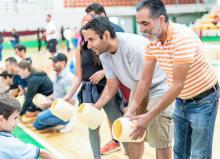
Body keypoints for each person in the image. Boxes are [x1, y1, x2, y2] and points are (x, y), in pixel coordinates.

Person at [126, 1, 219, 159]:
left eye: (145, 23)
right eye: (139, 24)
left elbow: (177, 86)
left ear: (160, 19)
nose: (141, 29)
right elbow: (144, 81)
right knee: (179, 152)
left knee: (199, 155)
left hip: (204, 101)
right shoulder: (152, 42)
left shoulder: (181, 39)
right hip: (181, 100)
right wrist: (131, 110)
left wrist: (148, 117)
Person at [82, 17, 173, 159]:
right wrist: (97, 106)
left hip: (158, 88)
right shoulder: (103, 54)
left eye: (91, 40)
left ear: (106, 35)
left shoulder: (132, 47)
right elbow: (112, 85)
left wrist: (129, 111)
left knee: (159, 139)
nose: (88, 46)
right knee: (132, 134)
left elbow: (143, 82)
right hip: (138, 88)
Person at [64, 15, 125, 159]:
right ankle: (96, 157)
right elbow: (78, 76)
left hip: (107, 88)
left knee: (118, 123)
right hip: (88, 92)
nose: (85, 26)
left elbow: (115, 66)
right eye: (83, 23)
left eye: (88, 23)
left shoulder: (103, 46)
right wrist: (68, 96)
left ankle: (130, 151)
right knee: (92, 128)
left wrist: (103, 72)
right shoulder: (80, 50)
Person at [85, 3, 128, 154]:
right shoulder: (91, 36)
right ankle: (116, 141)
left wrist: (104, 72)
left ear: (101, 14)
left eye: (93, 17)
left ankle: (123, 143)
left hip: (121, 81)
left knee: (121, 116)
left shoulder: (116, 31)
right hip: (107, 82)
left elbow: (121, 61)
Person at [0, 93, 55, 159]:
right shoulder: (10, 144)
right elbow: (42, 153)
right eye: (15, 118)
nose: (17, 122)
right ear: (1, 120)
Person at [33, 53, 75, 131]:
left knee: (39, 118)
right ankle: (58, 120)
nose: (53, 64)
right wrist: (46, 99)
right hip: (56, 106)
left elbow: (71, 101)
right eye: (52, 61)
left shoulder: (68, 78)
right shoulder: (56, 75)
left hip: (65, 109)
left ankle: (67, 120)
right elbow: (56, 94)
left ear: (63, 63)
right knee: (37, 124)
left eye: (55, 61)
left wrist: (51, 103)